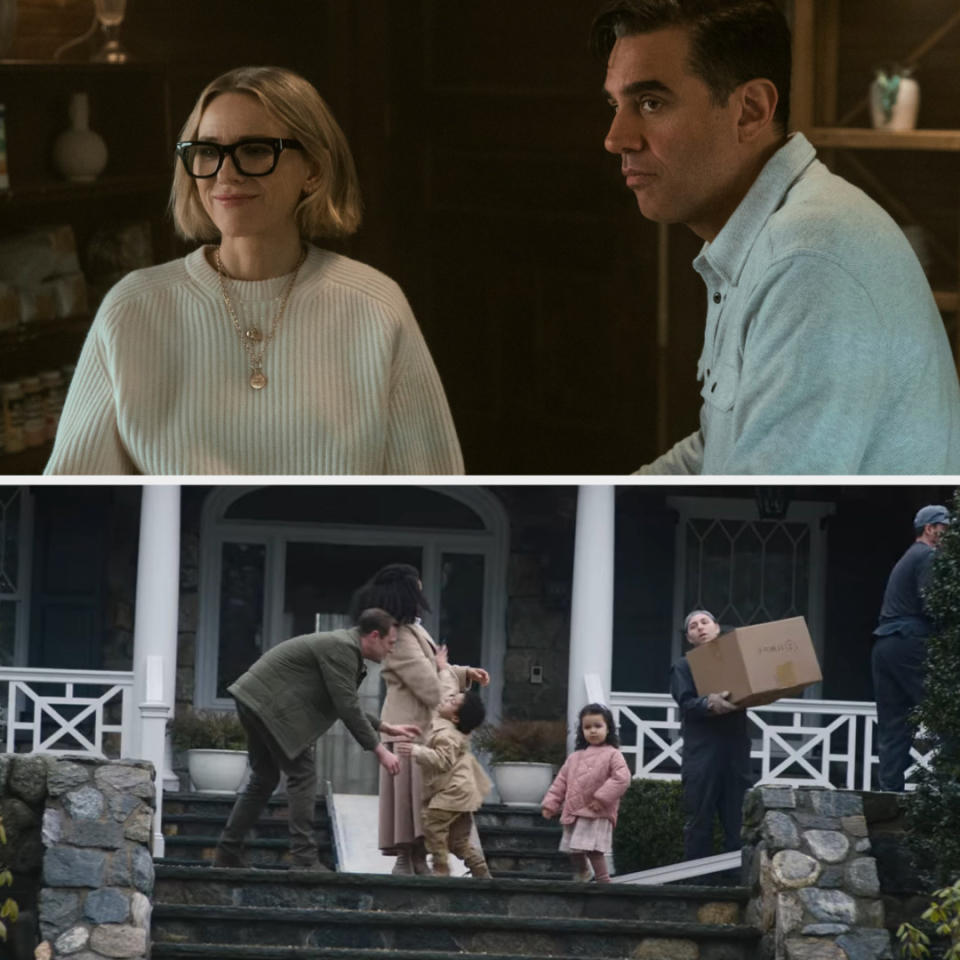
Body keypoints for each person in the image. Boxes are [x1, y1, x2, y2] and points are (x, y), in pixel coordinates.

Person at [591, 1, 960, 474]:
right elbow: (718, 447)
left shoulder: (807, 261)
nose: (616, 137)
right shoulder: (762, 236)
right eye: (615, 104)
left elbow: (767, 511)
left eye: (650, 103)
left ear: (750, 111)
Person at [45, 65, 463, 475]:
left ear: (314, 170)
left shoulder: (375, 306)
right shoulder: (132, 309)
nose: (225, 174)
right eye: (207, 152)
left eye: (256, 150)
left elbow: (437, 492)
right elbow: (68, 497)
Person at [213, 607, 420, 870]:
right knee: (303, 774)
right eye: (390, 643)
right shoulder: (342, 649)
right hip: (269, 705)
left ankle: (227, 852)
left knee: (265, 777)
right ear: (374, 636)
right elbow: (346, 705)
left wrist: (384, 726)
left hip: (254, 699)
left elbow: (341, 701)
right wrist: (380, 750)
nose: (391, 650)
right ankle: (304, 858)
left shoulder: (344, 647)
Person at [350, 562, 490, 875]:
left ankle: (417, 859)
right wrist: (453, 689)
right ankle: (406, 858)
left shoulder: (413, 629)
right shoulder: (398, 636)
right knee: (408, 800)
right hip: (408, 729)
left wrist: (463, 673)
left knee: (422, 799)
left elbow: (436, 669)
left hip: (422, 728)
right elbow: (428, 683)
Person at [872, 504, 950, 792]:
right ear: (930, 529)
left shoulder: (908, 556)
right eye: (946, 528)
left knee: (894, 724)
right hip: (910, 640)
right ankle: (950, 789)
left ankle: (890, 793)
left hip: (884, 645)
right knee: (947, 711)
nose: (950, 534)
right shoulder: (928, 555)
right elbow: (934, 605)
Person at [669, 610, 752, 861]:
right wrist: (707, 703)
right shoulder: (683, 666)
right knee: (699, 816)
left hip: (735, 748)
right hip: (702, 751)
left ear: (717, 627)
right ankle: (696, 883)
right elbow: (685, 703)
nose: (700, 628)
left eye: (705, 622)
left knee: (737, 818)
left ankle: (738, 879)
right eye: (693, 626)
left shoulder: (736, 661)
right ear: (689, 638)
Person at [396, 689, 492, 877]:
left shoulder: (447, 735)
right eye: (450, 697)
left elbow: (442, 761)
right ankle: (481, 870)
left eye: (452, 702)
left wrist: (417, 751)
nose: (447, 699)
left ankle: (441, 868)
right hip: (463, 794)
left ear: (455, 718)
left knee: (432, 822)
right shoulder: (448, 728)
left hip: (453, 792)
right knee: (458, 842)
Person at [540, 702, 631, 883]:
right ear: (581, 731)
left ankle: (603, 881)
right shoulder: (574, 757)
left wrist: (601, 799)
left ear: (608, 728)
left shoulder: (613, 755)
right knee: (573, 849)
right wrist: (551, 804)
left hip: (597, 812)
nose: (593, 731)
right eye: (587, 727)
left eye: (598, 726)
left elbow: (622, 778)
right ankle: (583, 873)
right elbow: (561, 782)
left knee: (594, 850)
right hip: (574, 811)